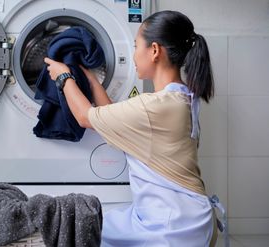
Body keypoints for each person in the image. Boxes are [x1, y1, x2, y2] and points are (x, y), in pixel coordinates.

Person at [44, 10, 217, 247]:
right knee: (95, 230)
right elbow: (118, 119)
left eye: (136, 46)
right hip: (183, 216)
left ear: (154, 50)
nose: (134, 54)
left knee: (87, 232)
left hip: (173, 228)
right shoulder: (183, 97)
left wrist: (64, 77)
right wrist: (92, 80)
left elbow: (85, 117)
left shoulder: (154, 106)